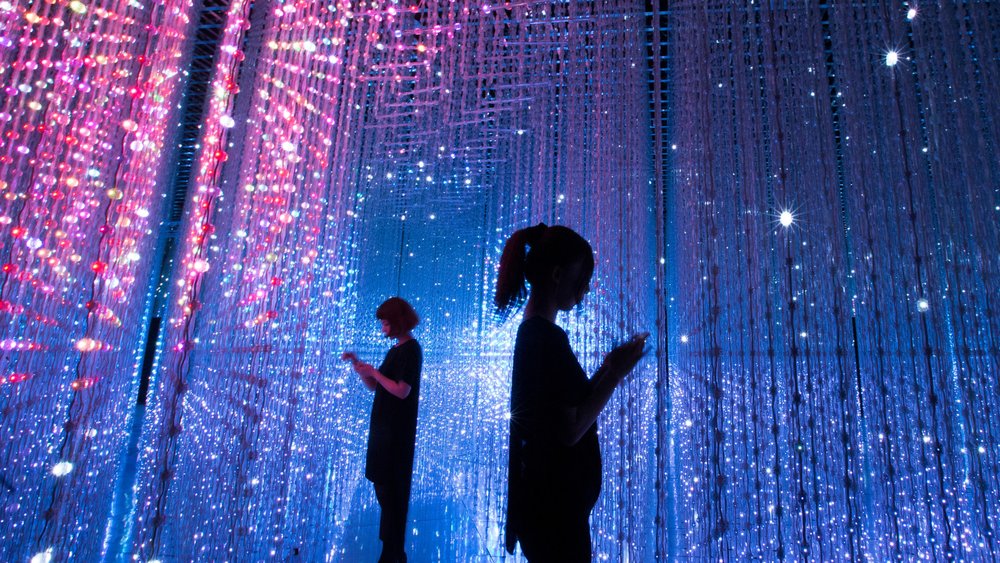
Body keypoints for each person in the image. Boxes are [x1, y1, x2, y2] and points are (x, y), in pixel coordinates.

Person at [495, 224, 647, 562]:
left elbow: (565, 406)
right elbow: (570, 428)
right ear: (558, 275)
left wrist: (609, 369)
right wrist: (615, 374)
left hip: (550, 514)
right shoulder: (543, 338)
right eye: (583, 278)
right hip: (554, 519)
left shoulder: (538, 334)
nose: (587, 289)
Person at [342, 297, 423, 563]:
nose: (383, 328)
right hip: (383, 431)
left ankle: (393, 553)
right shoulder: (394, 351)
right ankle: (391, 550)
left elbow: (402, 390)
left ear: (397, 322)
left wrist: (375, 374)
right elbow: (376, 387)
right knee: (383, 488)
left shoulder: (411, 350)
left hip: (395, 435)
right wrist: (362, 369)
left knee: (392, 493)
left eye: (386, 323)